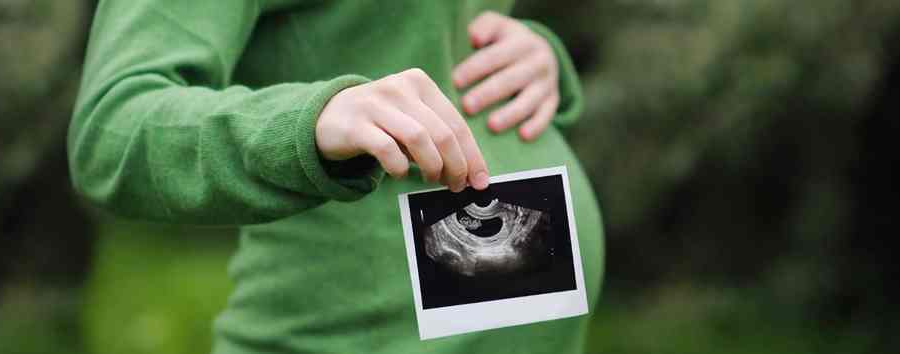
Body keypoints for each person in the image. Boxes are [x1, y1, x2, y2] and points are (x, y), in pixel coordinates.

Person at [68, 1, 604, 352]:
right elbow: (113, 125)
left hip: (523, 290)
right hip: (351, 332)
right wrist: (310, 119)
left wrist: (532, 52)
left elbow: (405, 36)